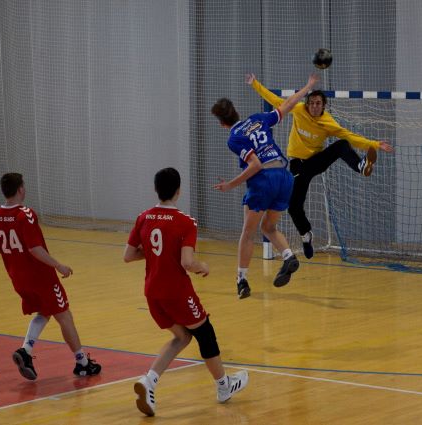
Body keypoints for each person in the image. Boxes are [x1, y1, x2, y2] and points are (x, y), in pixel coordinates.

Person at [124, 167, 248, 417]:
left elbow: (128, 255)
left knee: (182, 337)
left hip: (152, 293)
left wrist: (156, 255)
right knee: (205, 333)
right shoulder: (185, 222)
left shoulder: (143, 217)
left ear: (156, 189)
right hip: (176, 291)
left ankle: (149, 381)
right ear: (178, 191)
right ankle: (223, 386)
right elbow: (187, 262)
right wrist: (203, 266)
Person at [247, 74, 395, 259]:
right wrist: (255, 84)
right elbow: (275, 100)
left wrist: (374, 144)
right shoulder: (299, 110)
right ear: (307, 104)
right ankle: (306, 235)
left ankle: (360, 165)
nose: (314, 106)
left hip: (315, 162)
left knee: (342, 144)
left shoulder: (328, 122)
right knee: (294, 207)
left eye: (318, 103)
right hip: (297, 164)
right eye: (312, 103)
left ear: (323, 105)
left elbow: (349, 136)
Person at [211, 73, 320, 299]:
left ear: (222, 123)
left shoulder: (234, 138)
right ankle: (288, 256)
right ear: (236, 111)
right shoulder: (258, 118)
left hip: (264, 180)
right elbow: (288, 105)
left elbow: (255, 165)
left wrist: (231, 185)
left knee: (247, 233)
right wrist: (307, 86)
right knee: (268, 227)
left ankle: (242, 281)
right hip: (284, 177)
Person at [0, 173, 101, 380]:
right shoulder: (25, 214)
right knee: (64, 315)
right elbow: (34, 248)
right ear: (20, 189)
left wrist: (13, 248)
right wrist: (59, 265)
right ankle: (82, 363)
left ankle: (26, 350)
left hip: (17, 278)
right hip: (40, 277)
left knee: (45, 312)